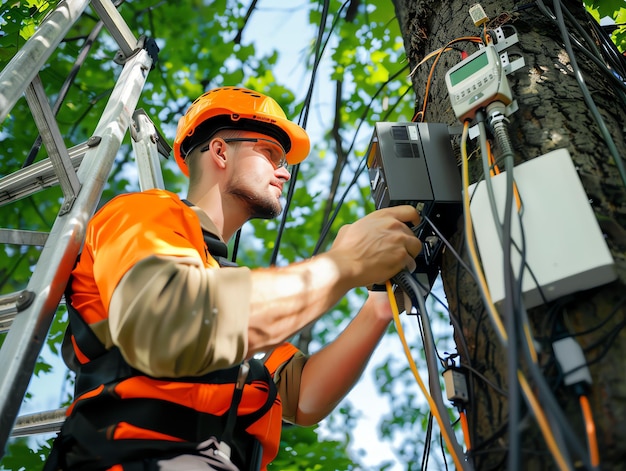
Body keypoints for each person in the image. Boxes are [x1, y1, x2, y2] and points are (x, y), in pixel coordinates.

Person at [46, 86, 422, 471]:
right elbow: (172, 319)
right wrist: (345, 264)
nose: (284, 171)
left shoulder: (232, 291)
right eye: (270, 152)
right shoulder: (145, 213)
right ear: (221, 151)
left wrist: (380, 303)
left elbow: (303, 395)